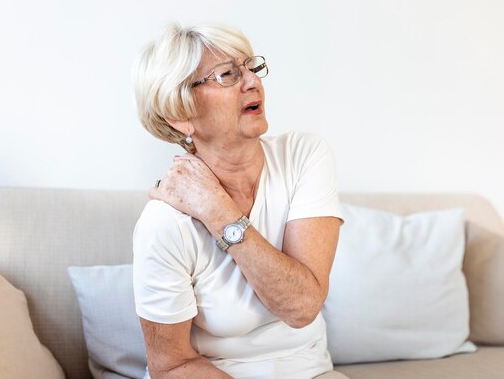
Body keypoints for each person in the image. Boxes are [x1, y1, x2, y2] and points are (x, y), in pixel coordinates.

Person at [132, 23, 346, 379]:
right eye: (227, 75)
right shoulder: (163, 222)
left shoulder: (304, 156)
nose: (252, 82)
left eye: (251, 67)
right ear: (180, 115)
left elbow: (302, 307)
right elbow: (170, 365)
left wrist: (218, 210)